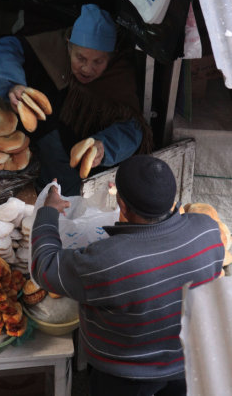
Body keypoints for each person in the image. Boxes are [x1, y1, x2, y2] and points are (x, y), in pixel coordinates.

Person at [30, 155, 225, 396]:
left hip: (122, 374)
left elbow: (45, 267)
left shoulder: (108, 259)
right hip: (185, 361)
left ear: (121, 205)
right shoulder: (207, 231)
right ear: (172, 199)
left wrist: (48, 212)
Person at [0, 4, 152, 195]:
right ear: (68, 45)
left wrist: (103, 146)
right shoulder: (51, 48)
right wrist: (13, 84)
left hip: (87, 174)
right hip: (44, 149)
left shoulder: (119, 77)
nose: (87, 69)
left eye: (98, 61)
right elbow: (4, 48)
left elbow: (132, 129)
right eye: (80, 58)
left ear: (111, 57)